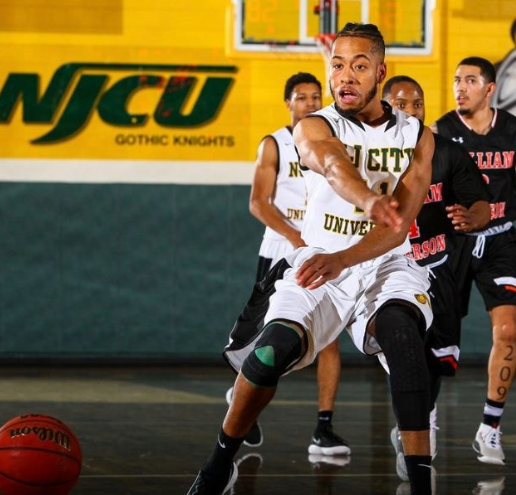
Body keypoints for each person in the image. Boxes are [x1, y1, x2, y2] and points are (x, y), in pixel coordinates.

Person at [187, 22, 436, 495]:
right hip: (320, 258)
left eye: (359, 67)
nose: (345, 76)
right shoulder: (314, 125)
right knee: (265, 355)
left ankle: (422, 480)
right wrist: (366, 200)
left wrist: (352, 251)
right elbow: (332, 163)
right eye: (338, 65)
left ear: (380, 72)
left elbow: (397, 228)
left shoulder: (419, 138)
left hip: (384, 261)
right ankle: (220, 461)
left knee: (405, 343)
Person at [432, 57, 516, 465]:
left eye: (469, 80)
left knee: (507, 332)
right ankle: (424, 420)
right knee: (436, 341)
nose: (460, 87)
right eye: (456, 80)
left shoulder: (514, 130)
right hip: (452, 242)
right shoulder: (440, 131)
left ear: (490, 88)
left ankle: (490, 428)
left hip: (500, 240)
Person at [224, 71, 350, 456]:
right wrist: (297, 239)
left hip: (322, 251)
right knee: (267, 341)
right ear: (287, 103)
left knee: (327, 341)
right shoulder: (274, 144)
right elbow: (258, 203)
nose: (310, 103)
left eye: (315, 97)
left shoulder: (334, 141)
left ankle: (323, 429)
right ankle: (244, 404)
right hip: (281, 251)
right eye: (301, 97)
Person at [382, 75, 491, 482]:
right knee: (406, 352)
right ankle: (418, 430)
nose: (411, 112)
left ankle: (421, 417)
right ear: (385, 106)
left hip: (440, 267)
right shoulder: (370, 153)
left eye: (418, 104)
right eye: (401, 104)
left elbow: (481, 202)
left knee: (438, 359)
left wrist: (472, 217)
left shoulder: (446, 152)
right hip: (391, 268)